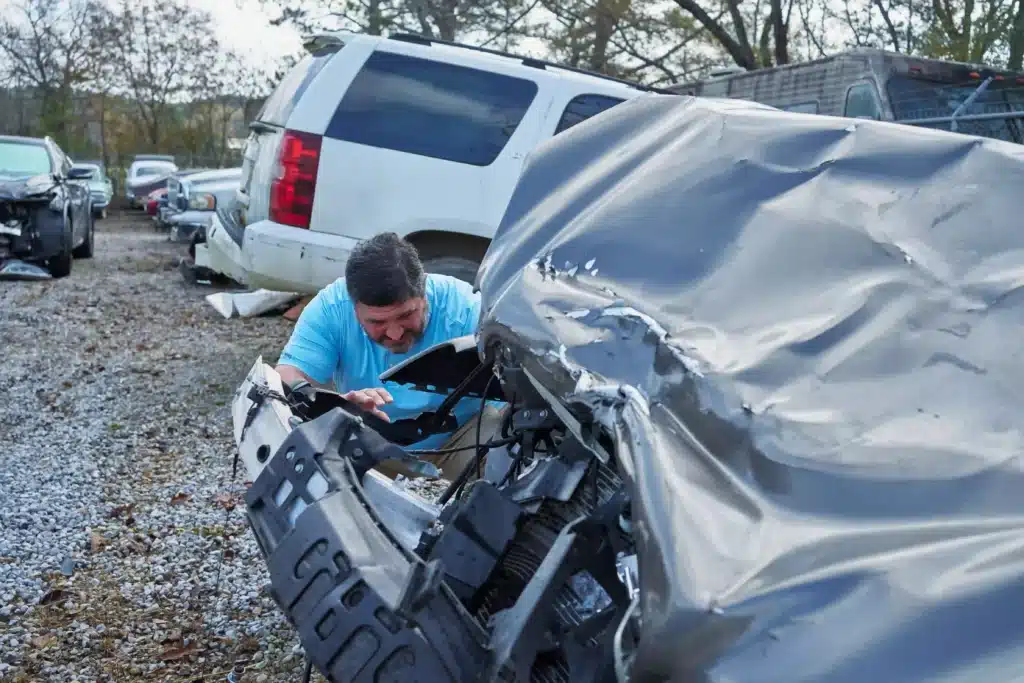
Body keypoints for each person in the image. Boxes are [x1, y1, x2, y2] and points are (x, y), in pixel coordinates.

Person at [275, 232, 502, 480]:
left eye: (406, 315)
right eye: (377, 322)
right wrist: (339, 405)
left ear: (424, 295)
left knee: (512, 442)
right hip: (368, 447)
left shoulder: (467, 310)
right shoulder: (331, 309)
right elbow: (284, 378)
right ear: (354, 308)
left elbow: (518, 391)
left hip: (458, 443)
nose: (394, 334)